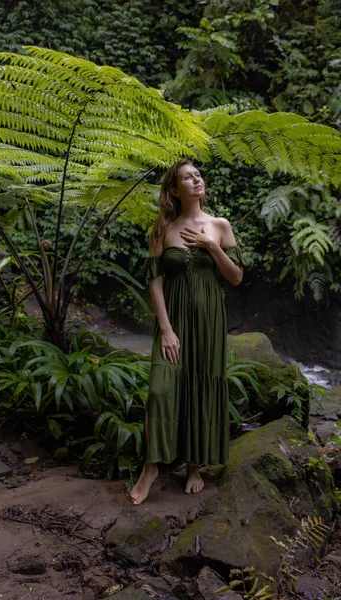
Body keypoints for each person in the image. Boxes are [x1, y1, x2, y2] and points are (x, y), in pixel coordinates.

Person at [130, 159, 247, 505]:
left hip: (209, 320)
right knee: (161, 389)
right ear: (173, 190)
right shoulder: (163, 230)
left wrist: (211, 246)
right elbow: (155, 284)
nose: (196, 180)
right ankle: (151, 466)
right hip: (175, 319)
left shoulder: (220, 225)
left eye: (197, 175)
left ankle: (194, 466)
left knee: (200, 384)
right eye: (187, 177)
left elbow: (236, 277)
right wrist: (166, 329)